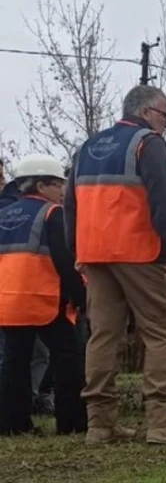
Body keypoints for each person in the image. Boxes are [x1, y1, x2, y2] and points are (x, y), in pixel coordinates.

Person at [66, 84, 166, 445]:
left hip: (95, 253)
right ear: (145, 112)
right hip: (139, 251)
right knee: (161, 331)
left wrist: (76, 250)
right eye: (165, 115)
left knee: (103, 335)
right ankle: (160, 421)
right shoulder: (148, 143)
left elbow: (70, 204)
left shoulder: (88, 147)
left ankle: (100, 424)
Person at [0, 155, 88, 436]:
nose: (63, 191)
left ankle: (13, 424)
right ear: (41, 184)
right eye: (58, 184)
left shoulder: (4, 215)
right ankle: (71, 423)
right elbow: (65, 261)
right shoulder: (52, 214)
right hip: (46, 300)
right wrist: (82, 296)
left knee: (15, 363)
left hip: (9, 302)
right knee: (68, 358)